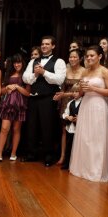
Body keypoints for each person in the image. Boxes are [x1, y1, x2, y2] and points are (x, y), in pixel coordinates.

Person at [69, 45, 108, 182]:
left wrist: (93, 87)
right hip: (86, 105)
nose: (89, 58)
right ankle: (82, 168)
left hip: (98, 105)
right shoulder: (85, 72)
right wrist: (80, 91)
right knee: (84, 136)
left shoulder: (105, 72)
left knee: (96, 137)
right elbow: (82, 92)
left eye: (92, 55)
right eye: (87, 56)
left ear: (100, 56)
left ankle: (95, 171)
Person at [22, 36, 66, 166]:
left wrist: (44, 72)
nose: (44, 46)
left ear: (53, 46)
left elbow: (59, 80)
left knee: (47, 127)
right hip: (34, 98)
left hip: (48, 98)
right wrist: (35, 74)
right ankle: (31, 153)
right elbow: (25, 78)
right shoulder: (33, 61)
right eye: (42, 44)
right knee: (31, 126)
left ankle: (48, 156)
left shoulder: (59, 62)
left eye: (47, 44)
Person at [0, 53, 30, 162]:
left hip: (20, 106)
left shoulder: (26, 75)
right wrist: (7, 88)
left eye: (19, 62)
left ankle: (13, 153)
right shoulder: (7, 74)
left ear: (22, 63)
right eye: (15, 62)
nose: (17, 64)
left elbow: (28, 93)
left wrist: (17, 87)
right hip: (7, 105)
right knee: (4, 128)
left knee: (16, 129)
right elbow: (1, 91)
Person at [53, 48, 84, 165]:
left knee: (78, 130)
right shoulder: (65, 70)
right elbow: (61, 87)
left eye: (75, 57)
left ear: (80, 58)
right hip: (65, 103)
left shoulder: (84, 71)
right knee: (64, 131)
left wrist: (65, 94)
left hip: (79, 102)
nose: (72, 59)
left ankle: (76, 158)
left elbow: (82, 91)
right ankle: (63, 156)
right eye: (71, 57)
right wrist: (61, 95)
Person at [60, 84, 82, 170]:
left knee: (78, 147)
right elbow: (65, 113)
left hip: (80, 129)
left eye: (77, 91)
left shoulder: (84, 103)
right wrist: (67, 117)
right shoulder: (70, 103)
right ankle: (67, 164)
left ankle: (77, 165)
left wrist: (79, 118)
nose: (74, 93)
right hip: (71, 128)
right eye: (73, 91)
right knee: (69, 146)